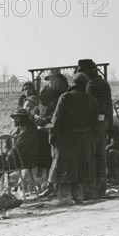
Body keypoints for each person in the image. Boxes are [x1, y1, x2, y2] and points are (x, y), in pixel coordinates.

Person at [48, 72, 99, 205]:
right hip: (85, 140)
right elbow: (95, 124)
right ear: (86, 84)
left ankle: (64, 197)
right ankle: (79, 196)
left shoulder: (65, 97)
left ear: (73, 83)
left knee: (65, 167)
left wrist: (52, 137)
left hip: (67, 140)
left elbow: (57, 120)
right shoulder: (92, 100)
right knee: (81, 168)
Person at [0, 109, 38, 196]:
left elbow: (18, 150)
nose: (15, 120)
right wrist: (3, 154)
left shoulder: (27, 132)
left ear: (24, 119)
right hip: (13, 157)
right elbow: (7, 147)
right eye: (14, 118)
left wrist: (5, 157)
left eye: (17, 118)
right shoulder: (15, 130)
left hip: (24, 159)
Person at [78, 59, 112, 199]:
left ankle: (92, 191)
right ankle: (100, 189)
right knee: (100, 156)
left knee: (92, 157)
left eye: (81, 71)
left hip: (95, 126)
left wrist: (92, 124)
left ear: (87, 71)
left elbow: (93, 107)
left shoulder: (91, 85)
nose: (80, 73)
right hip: (103, 124)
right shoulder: (103, 82)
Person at [37, 69, 69, 199]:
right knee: (48, 159)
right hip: (45, 131)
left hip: (57, 130)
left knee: (56, 159)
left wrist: (45, 120)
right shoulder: (46, 94)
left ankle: (55, 187)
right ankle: (50, 186)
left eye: (53, 80)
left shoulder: (63, 94)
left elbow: (58, 113)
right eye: (50, 80)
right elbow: (42, 109)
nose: (51, 83)